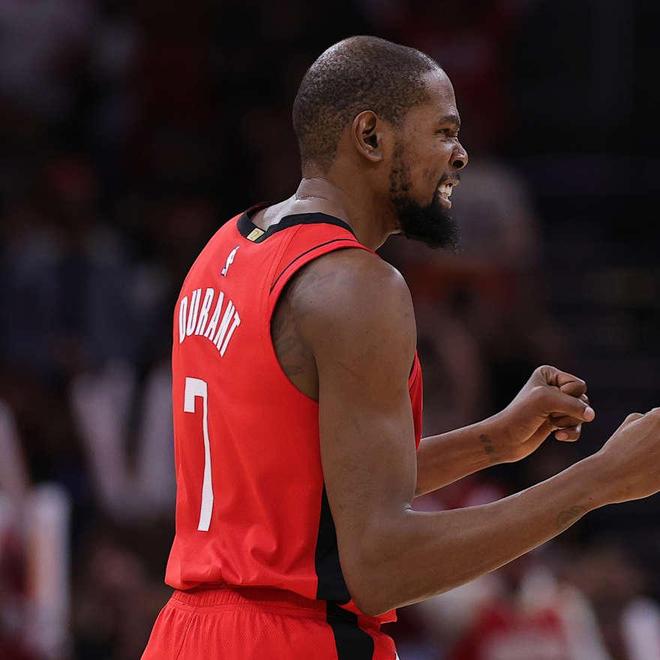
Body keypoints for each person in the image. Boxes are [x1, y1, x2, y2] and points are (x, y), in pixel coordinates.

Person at [142, 36, 660, 659]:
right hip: (293, 637)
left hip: (187, 632)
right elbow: (381, 567)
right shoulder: (357, 285)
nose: (461, 155)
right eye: (443, 132)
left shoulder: (227, 249)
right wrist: (599, 480)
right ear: (370, 136)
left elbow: (312, 491)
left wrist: (494, 441)